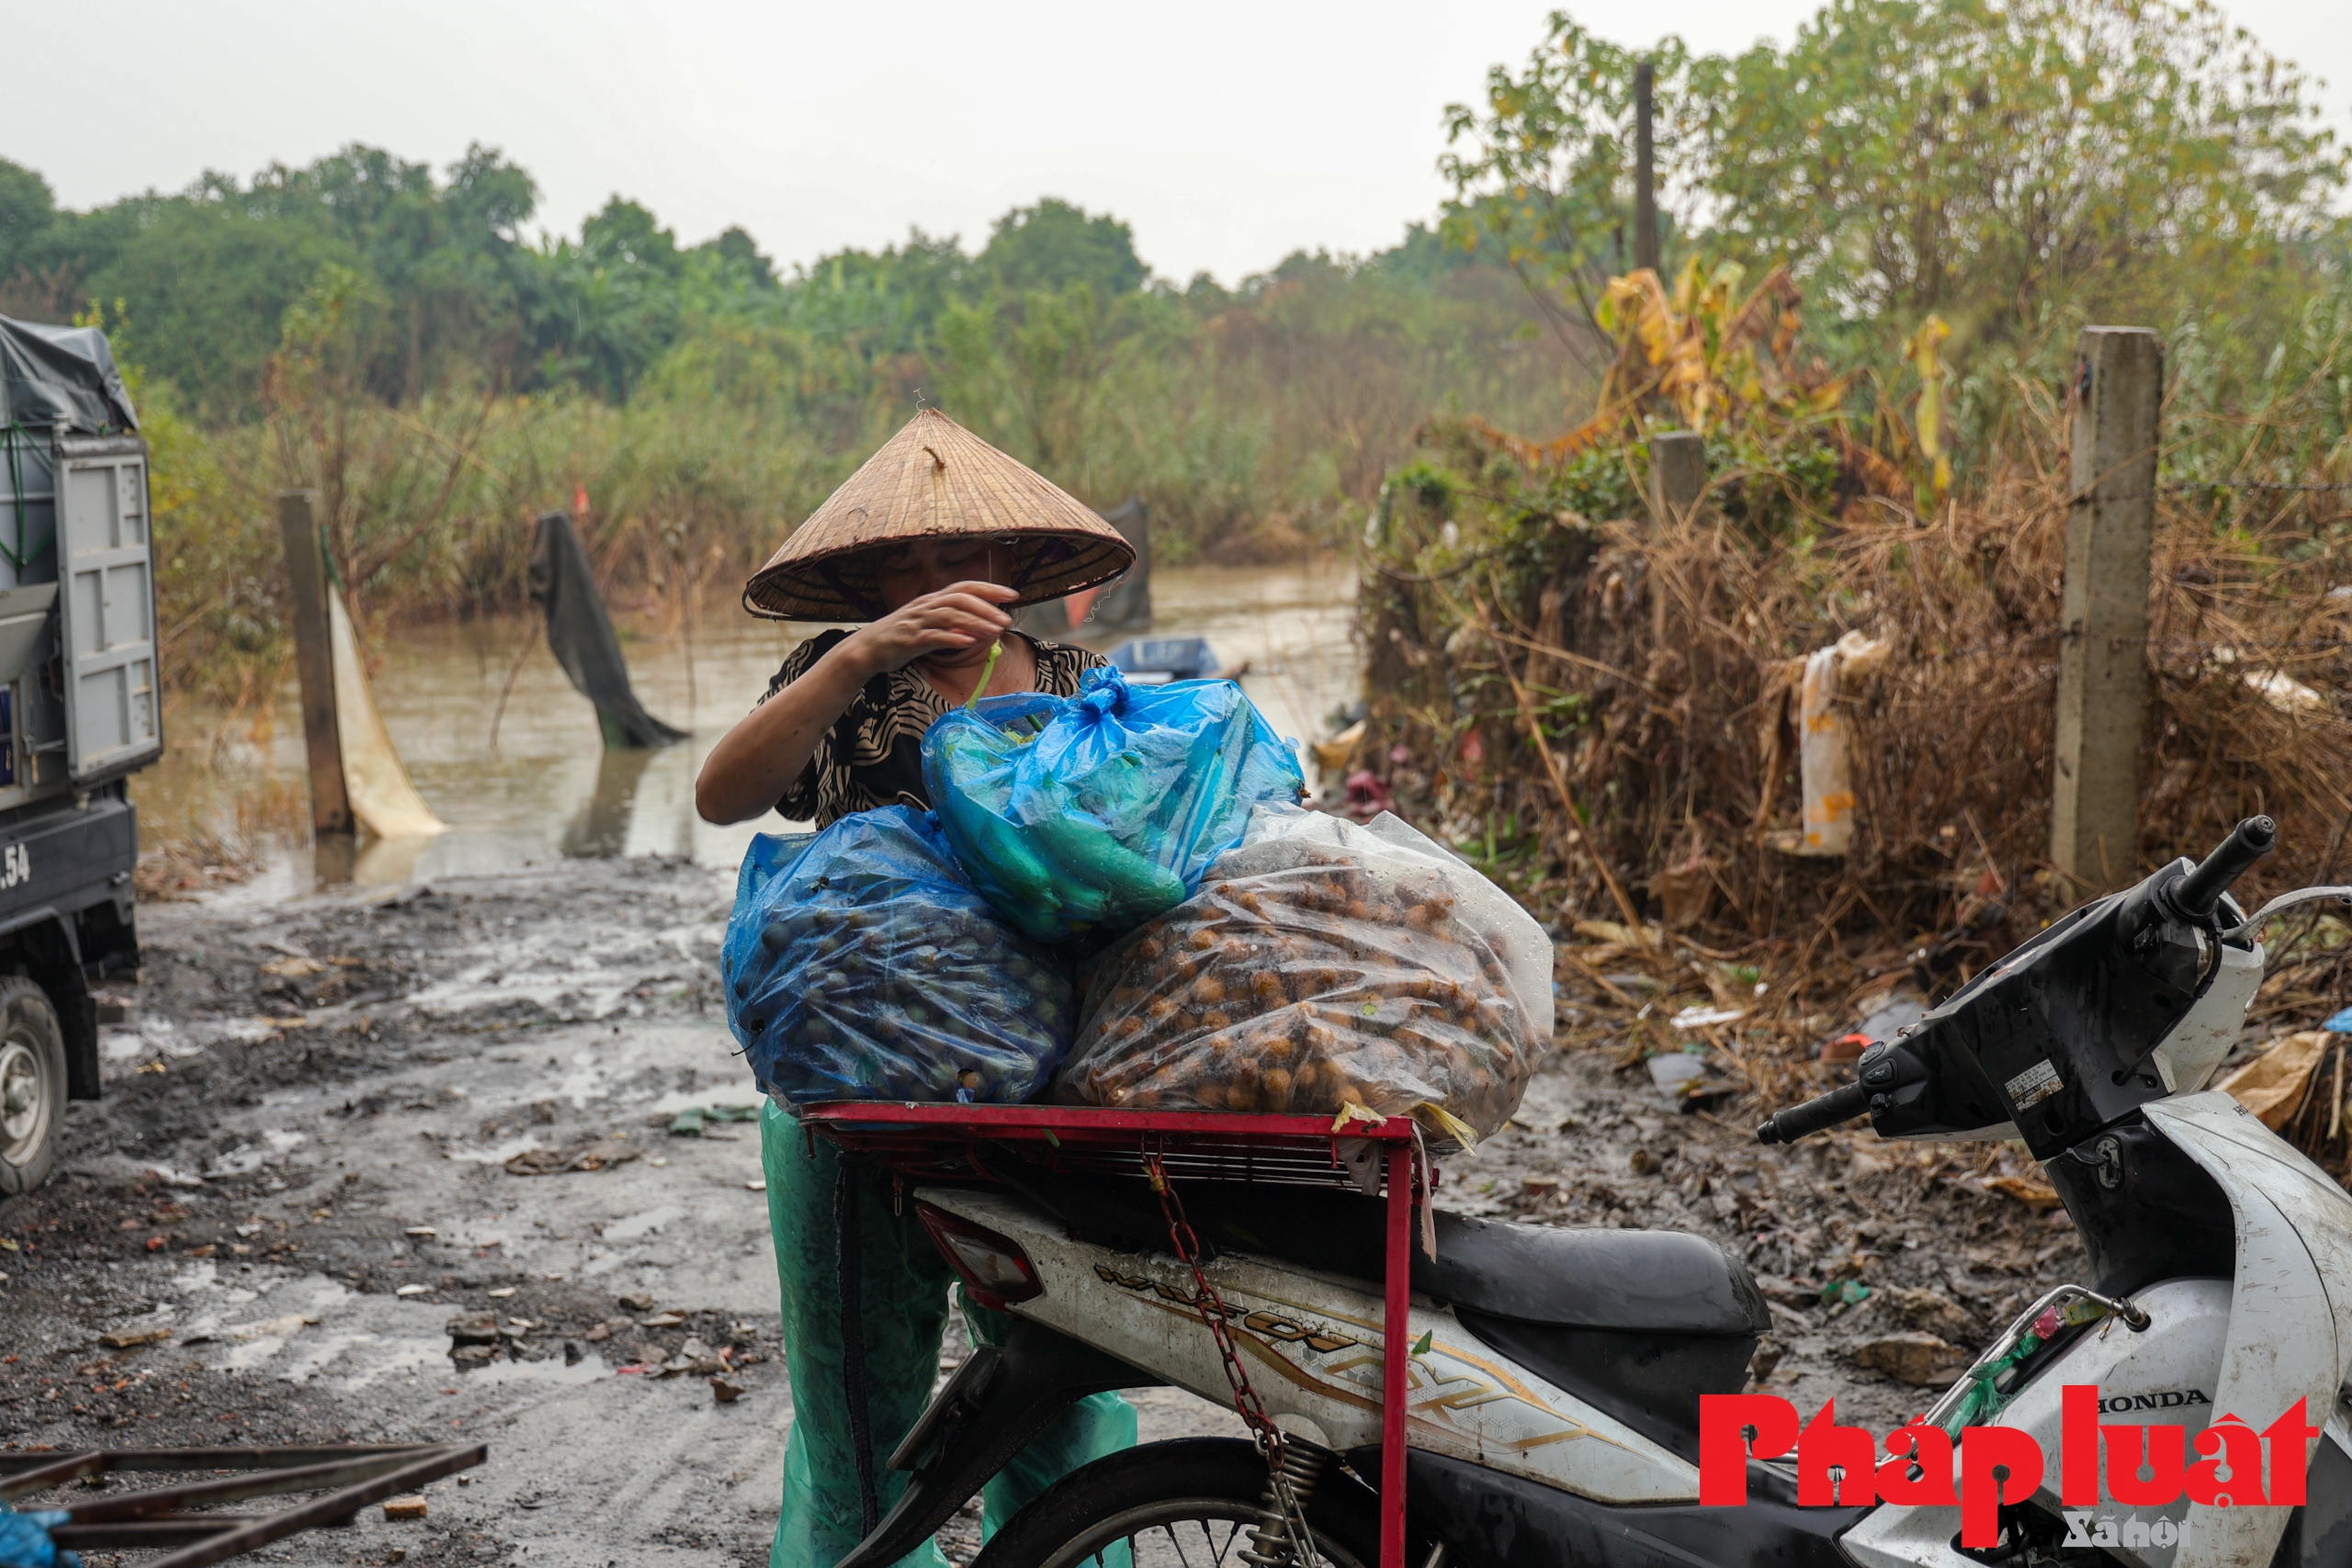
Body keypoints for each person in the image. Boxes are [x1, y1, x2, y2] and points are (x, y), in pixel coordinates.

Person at [697, 409, 1139, 1568]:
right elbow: (720, 795)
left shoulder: (1079, 682)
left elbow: (1137, 857)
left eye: (964, 558)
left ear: (1013, 567)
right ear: (872, 579)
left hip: (1047, 1095)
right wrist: (859, 656)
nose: (941, 581)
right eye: (910, 564)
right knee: (855, 1411)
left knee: (1055, 1391)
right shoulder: (833, 675)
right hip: (861, 1091)